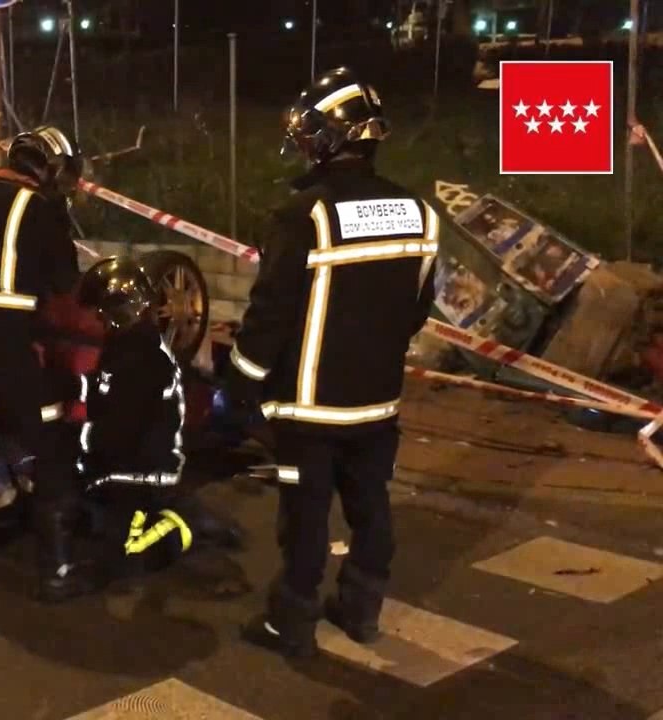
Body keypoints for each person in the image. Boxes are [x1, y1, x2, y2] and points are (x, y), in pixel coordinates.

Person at [222, 67, 440, 658]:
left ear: (330, 138)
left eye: (309, 133)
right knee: (371, 506)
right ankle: (362, 607)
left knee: (306, 518)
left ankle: (290, 621)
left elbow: (269, 316)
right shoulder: (422, 214)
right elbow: (417, 309)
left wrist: (237, 384)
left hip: (309, 410)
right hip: (377, 403)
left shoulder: (305, 216)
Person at [0, 125, 98, 602]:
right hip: (10, 342)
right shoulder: (41, 207)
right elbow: (65, 283)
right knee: (50, 440)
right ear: (48, 167)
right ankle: (56, 570)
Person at [65, 258, 244, 577]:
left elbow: (124, 427)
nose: (98, 319)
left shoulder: (145, 359)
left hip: (141, 475)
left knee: (127, 557)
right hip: (117, 470)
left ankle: (187, 523)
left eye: (102, 312)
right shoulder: (122, 348)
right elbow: (104, 403)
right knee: (87, 524)